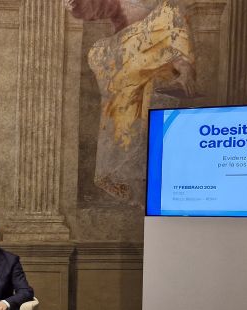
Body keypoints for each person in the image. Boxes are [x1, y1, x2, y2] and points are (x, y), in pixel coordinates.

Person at [64, 0, 195, 206]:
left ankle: (150, 192)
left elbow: (174, 38)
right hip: (126, 58)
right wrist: (75, 4)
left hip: (153, 69)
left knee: (170, 11)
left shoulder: (167, 10)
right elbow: (91, 8)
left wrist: (184, 68)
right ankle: (141, 191)